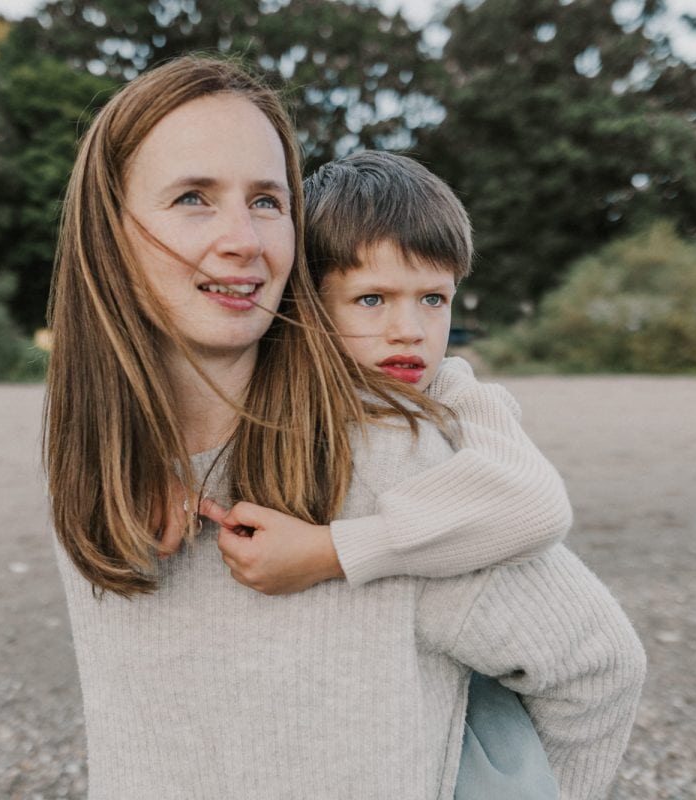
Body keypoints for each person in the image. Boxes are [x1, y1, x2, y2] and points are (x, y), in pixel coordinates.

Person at [45, 55, 645, 799]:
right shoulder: (91, 469)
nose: (243, 237)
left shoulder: (392, 458)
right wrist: (144, 452)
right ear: (109, 231)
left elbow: (597, 665)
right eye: (195, 197)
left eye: (267, 201)